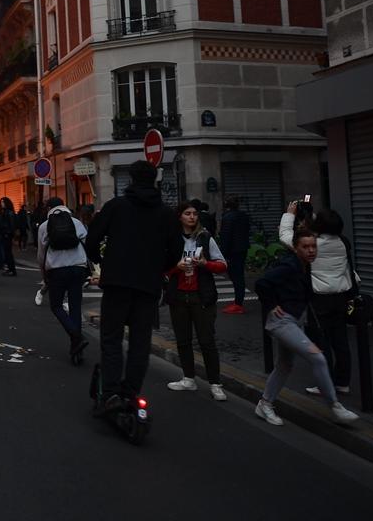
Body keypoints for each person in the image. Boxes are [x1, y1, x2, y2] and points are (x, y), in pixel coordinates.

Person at [85, 160, 183, 402]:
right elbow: (176, 251)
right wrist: (158, 268)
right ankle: (130, 392)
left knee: (111, 339)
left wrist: (102, 261)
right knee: (140, 343)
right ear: (155, 179)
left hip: (117, 281)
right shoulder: (166, 213)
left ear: (131, 179)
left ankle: (110, 393)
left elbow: (92, 239)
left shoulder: (116, 206)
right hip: (148, 285)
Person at [253, 229, 358, 426]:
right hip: (283, 322)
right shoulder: (289, 265)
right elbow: (262, 283)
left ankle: (264, 404)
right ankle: (335, 406)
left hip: (294, 321)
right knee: (317, 357)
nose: (311, 251)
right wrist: (272, 304)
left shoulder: (304, 265)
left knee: (285, 365)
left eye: (313, 246)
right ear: (296, 248)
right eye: (305, 247)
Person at [280, 204, 355, 396]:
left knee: (321, 343)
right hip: (340, 298)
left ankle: (325, 383)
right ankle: (343, 382)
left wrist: (289, 215)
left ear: (318, 225)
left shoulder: (311, 245)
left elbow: (286, 237)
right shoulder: (343, 242)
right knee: (340, 342)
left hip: (317, 300)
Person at [164, 202, 228, 400]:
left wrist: (205, 263)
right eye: (187, 213)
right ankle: (188, 378)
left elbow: (223, 265)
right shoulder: (172, 239)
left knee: (206, 340)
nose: (192, 217)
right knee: (183, 340)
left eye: (194, 214)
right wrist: (177, 268)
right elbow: (164, 269)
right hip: (179, 295)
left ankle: (215, 383)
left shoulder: (205, 237)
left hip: (201, 295)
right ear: (179, 217)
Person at [37, 196, 89, 364]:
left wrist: (43, 272)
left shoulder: (45, 226)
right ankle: (77, 351)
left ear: (49, 209)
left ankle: (76, 336)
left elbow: (41, 253)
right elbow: (86, 243)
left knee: (56, 305)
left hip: (57, 270)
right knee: (75, 306)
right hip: (78, 268)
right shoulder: (77, 223)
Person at [219, 196, 251, 314]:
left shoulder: (227, 218)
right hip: (242, 248)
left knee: (235, 276)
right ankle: (238, 301)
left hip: (232, 250)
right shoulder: (244, 216)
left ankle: (238, 304)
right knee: (239, 275)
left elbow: (225, 236)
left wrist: (222, 253)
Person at [0, 197, 17, 276]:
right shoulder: (4, 212)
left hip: (7, 235)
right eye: (1, 202)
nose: (1, 203)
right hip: (4, 234)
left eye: (3, 202)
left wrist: (8, 233)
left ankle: (12, 269)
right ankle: (10, 268)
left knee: (8, 253)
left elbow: (12, 225)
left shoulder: (9, 213)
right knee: (6, 253)